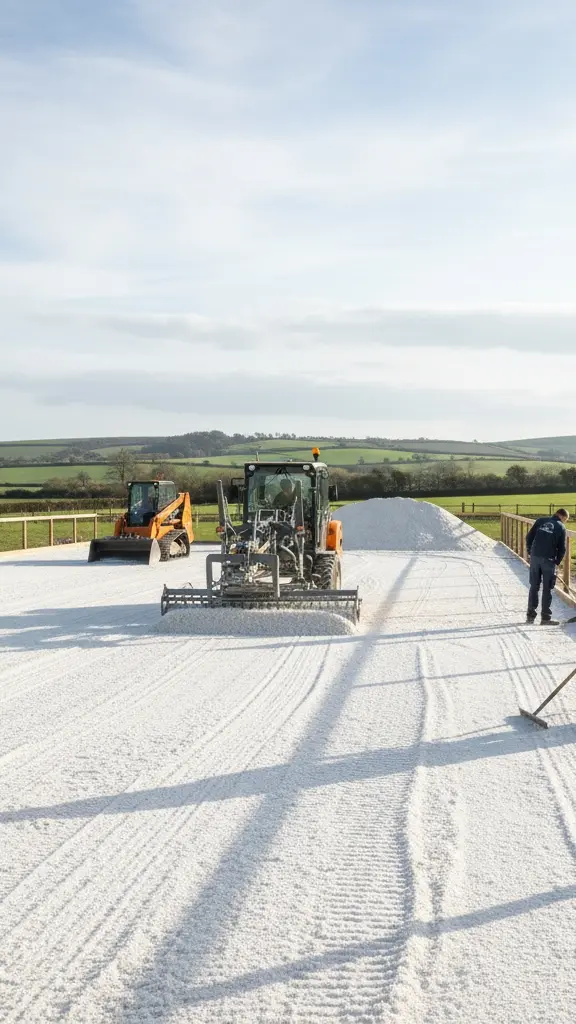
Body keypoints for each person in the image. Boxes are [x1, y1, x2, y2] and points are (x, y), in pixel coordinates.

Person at [526, 508, 569, 624]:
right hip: (549, 560)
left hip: (535, 558)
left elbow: (529, 537)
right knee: (547, 588)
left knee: (534, 586)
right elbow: (562, 549)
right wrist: (556, 562)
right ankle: (545, 618)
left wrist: (530, 552)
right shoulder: (561, 527)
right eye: (565, 520)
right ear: (563, 517)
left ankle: (530, 616)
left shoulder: (540, 521)